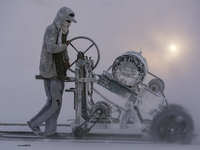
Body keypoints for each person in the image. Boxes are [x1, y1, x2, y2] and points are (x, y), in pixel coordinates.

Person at [27, 7, 77, 138]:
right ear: (61, 17)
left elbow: (63, 49)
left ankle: (50, 131)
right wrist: (65, 45)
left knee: (57, 103)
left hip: (60, 71)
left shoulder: (63, 31)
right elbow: (51, 48)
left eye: (70, 21)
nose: (69, 23)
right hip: (50, 70)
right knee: (54, 102)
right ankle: (33, 123)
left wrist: (66, 59)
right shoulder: (51, 29)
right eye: (67, 20)